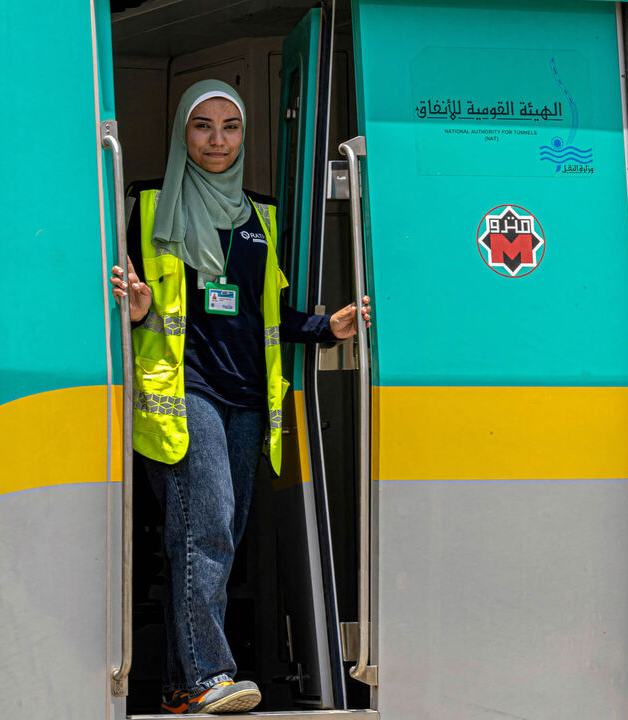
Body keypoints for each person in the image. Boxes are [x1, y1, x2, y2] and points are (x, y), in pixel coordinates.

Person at [110, 79, 371, 715]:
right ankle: (208, 675)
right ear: (182, 133)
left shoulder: (262, 216)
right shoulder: (142, 206)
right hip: (184, 390)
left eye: (230, 126)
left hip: (249, 399)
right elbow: (123, 299)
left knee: (204, 537)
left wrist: (322, 327)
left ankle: (180, 684)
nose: (218, 140)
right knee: (210, 529)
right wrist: (138, 314)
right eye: (203, 126)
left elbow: (266, 311)